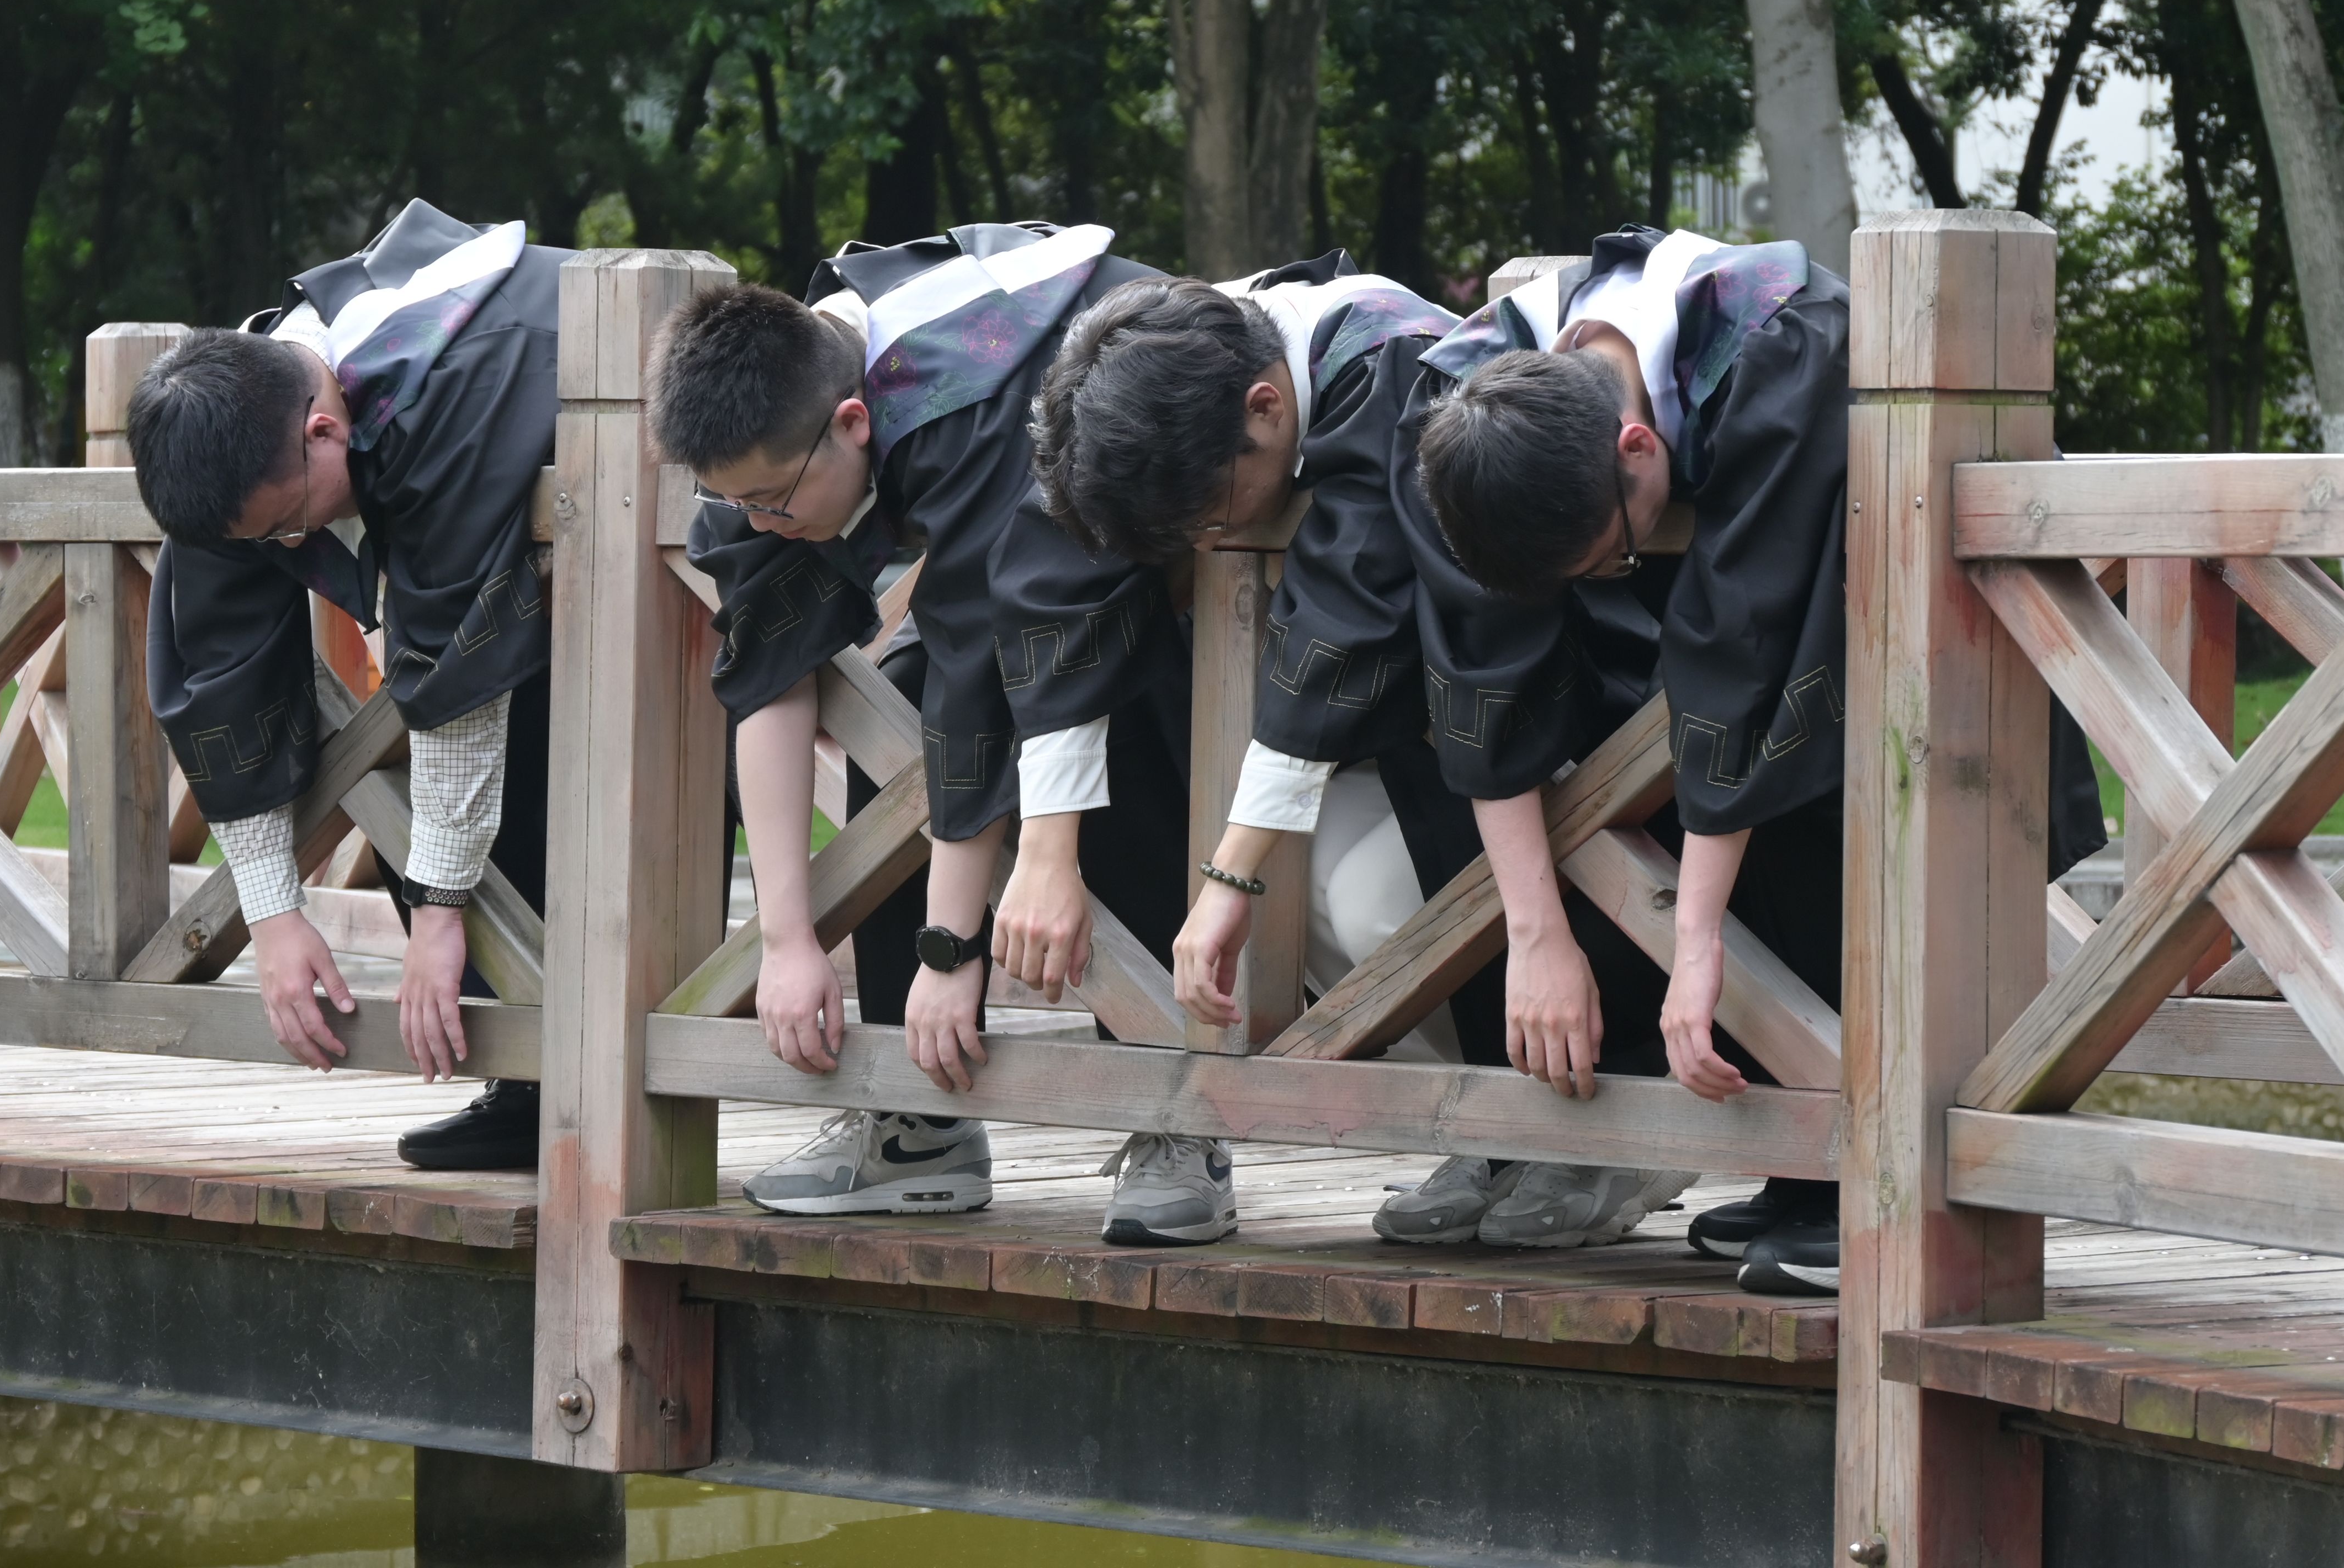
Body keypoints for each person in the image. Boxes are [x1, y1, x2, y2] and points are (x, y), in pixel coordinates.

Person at [1411, 226, 2104, 1296]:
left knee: (1840, 844)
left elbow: (1744, 646)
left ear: (1636, 448)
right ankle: (1804, 1166)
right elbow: (1485, 658)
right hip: (1738, 692)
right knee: (1730, 812)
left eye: (1615, 553)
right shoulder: (1483, 389)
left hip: (1917, 675)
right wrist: (1540, 929)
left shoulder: (1785, 341)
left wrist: (1691, 940)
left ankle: (1884, 1199)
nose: (1618, 569)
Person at [1031, 254, 1689, 1251]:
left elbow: (1342, 625)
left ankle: (1605, 1121)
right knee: (1326, 901)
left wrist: (1229, 875)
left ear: (1265, 408)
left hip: (1575, 740)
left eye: (1213, 512)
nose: (1212, 538)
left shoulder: (1403, 368)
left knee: (1373, 900)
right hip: (1386, 763)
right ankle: (1499, 1118)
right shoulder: (1166, 383)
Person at [649, 222, 1235, 1245]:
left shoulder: (965, 406)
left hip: (1156, 535)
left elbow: (987, 679)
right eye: (736, 505)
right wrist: (787, 940)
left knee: (1105, 717)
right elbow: (766, 680)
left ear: (853, 425)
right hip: (1015, 545)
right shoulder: (767, 426)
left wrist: (953, 950)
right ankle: (916, 1124)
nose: (761, 524)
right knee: (898, 711)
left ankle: (1175, 1116)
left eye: (773, 503)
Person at [127, 200, 567, 1172]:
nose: (291, 545)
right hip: (505, 581)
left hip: (644, 583)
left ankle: (577, 1081)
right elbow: (221, 677)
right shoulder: (233, 430)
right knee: (406, 767)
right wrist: (273, 915)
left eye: (291, 524)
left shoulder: (442, 386)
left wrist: (439, 912)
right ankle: (526, 1083)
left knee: (521, 767)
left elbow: (454, 672)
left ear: (327, 430)